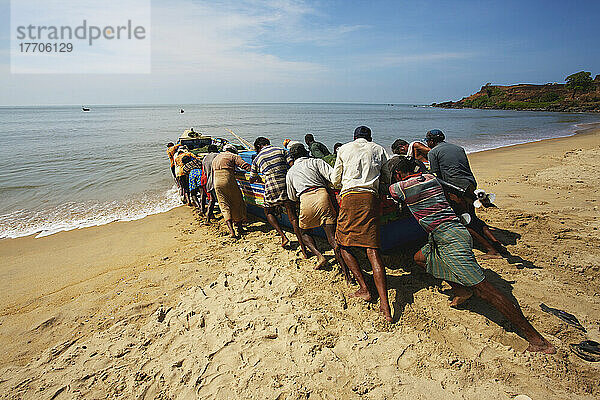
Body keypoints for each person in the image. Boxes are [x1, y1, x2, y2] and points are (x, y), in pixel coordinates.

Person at [388, 157, 555, 354]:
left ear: (398, 175)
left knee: (486, 290)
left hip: (451, 238)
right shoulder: (430, 178)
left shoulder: (400, 188)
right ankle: (461, 290)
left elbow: (387, 191)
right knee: (420, 258)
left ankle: (537, 340)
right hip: (446, 233)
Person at [332, 126, 393, 322]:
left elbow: (335, 180)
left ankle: (365, 288)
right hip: (371, 198)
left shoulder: (344, 149)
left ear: (354, 137)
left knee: (342, 244)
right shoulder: (379, 149)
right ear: (370, 138)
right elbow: (386, 176)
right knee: (372, 249)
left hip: (350, 197)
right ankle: (385, 306)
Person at [426, 129, 503, 258]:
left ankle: (491, 249)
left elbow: (435, 175)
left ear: (432, 141)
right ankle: (496, 242)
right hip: (470, 184)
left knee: (463, 220)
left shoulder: (433, 152)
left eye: (428, 141)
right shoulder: (459, 148)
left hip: (456, 188)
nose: (427, 143)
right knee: (472, 216)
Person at [286, 144, 351, 281]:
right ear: (306, 152)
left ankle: (319, 256)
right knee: (333, 238)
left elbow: (292, 197)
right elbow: (333, 177)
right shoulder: (316, 162)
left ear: (292, 157)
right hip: (322, 196)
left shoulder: (290, 172)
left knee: (304, 232)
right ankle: (346, 273)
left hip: (305, 199)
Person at [249, 137, 307, 256]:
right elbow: (292, 165)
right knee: (293, 217)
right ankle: (303, 248)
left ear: (259, 146)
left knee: (268, 211)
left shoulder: (257, 158)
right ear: (267, 143)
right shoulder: (282, 150)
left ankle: (283, 236)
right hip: (286, 185)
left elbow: (252, 178)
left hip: (271, 187)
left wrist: (259, 177)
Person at [212, 144, 251, 237]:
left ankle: (231, 231)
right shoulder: (233, 156)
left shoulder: (216, 157)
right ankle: (239, 228)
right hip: (227, 180)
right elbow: (245, 166)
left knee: (224, 204)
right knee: (236, 202)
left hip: (216, 181)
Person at [201, 145, 220, 222]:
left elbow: (205, 172)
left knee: (211, 200)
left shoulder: (205, 158)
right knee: (223, 200)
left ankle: (208, 218)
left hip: (209, 182)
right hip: (217, 180)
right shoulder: (218, 156)